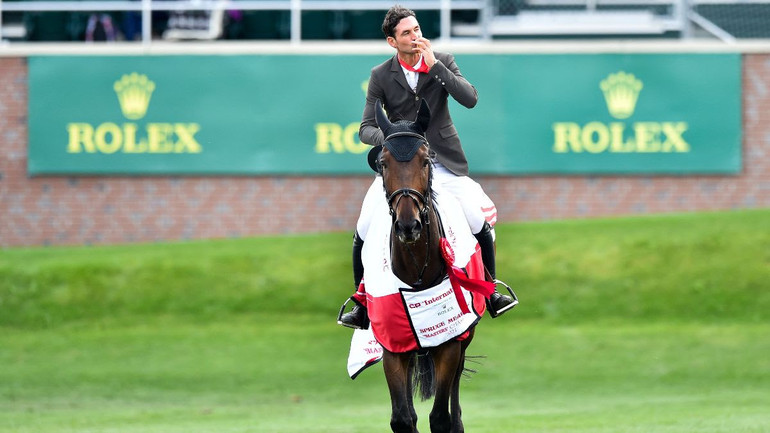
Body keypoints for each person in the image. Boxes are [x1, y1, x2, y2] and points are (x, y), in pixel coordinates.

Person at [338, 5, 516, 329]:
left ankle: (491, 292)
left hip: (442, 160)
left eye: (417, 29)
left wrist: (436, 67)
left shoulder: (443, 61)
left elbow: (470, 98)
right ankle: (361, 305)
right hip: (404, 164)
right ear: (393, 42)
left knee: (478, 220)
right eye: (407, 33)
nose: (415, 36)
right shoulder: (381, 75)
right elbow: (365, 128)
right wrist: (394, 137)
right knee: (363, 227)